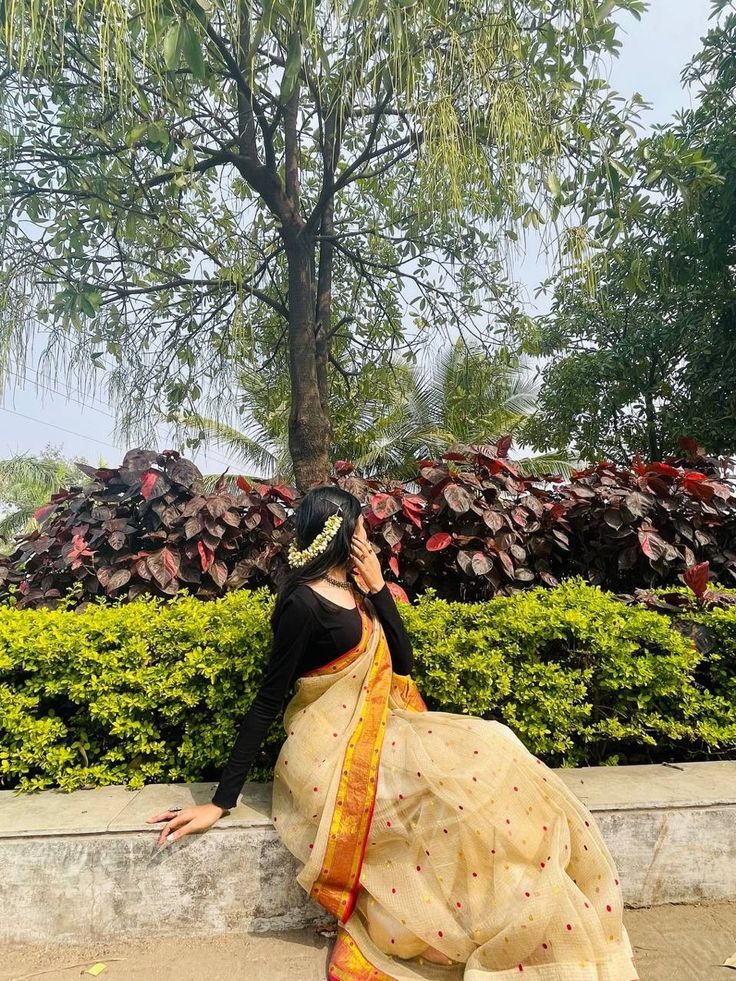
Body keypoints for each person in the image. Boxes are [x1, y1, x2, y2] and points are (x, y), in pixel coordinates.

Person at [148, 486, 640, 980]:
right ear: (342, 532)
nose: (368, 533)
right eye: (360, 526)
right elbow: (268, 699)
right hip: (329, 745)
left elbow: (402, 664)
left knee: (494, 744)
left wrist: (380, 588)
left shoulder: (357, 590)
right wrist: (220, 801)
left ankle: (498, 906)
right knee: (457, 780)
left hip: (384, 726)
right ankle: (446, 917)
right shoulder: (302, 603)